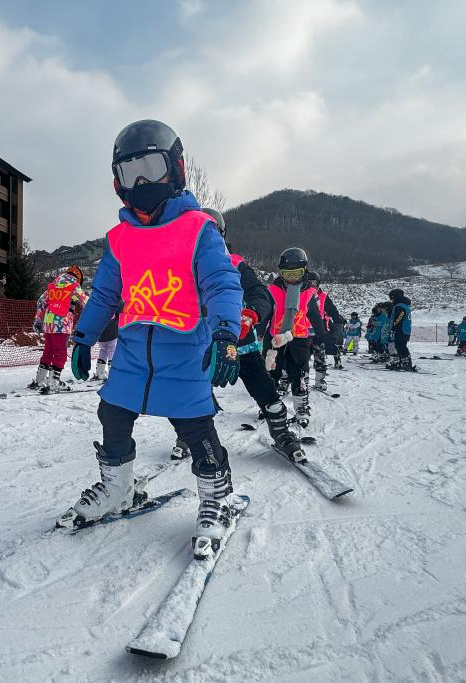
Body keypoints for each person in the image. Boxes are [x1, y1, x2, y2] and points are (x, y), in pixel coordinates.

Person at [62, 120, 243, 558]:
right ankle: (117, 489)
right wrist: (83, 337)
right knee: (113, 414)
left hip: (184, 351)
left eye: (150, 167)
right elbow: (105, 292)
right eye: (129, 172)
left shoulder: (199, 229)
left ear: (175, 168)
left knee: (194, 428)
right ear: (117, 182)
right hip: (131, 353)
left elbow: (222, 283)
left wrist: (226, 333)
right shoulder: (120, 238)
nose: (141, 181)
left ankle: (217, 497)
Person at [209, 209, 304, 463]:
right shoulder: (185, 264)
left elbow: (260, 295)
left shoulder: (235, 264)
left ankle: (282, 433)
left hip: (242, 342)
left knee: (265, 391)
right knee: (193, 393)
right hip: (207, 344)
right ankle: (189, 435)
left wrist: (250, 314)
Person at [265, 248, 327, 427]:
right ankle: (270, 405)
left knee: (299, 373)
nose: (292, 278)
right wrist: (259, 332)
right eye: (287, 273)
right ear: (280, 272)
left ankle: (301, 407)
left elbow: (315, 316)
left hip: (298, 339)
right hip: (275, 339)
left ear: (305, 271)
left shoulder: (308, 293)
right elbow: (267, 313)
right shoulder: (273, 291)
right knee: (271, 372)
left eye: (296, 273)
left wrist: (322, 336)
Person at [30, 265, 87, 393]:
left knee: (48, 351)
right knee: (60, 352)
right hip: (62, 323)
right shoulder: (74, 286)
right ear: (78, 277)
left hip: (49, 322)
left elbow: (41, 301)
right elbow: (85, 302)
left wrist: (38, 319)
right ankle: (54, 381)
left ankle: (40, 379)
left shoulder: (53, 285)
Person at [94, 300, 122, 381]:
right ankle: (112, 373)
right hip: (113, 333)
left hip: (101, 334)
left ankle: (99, 372)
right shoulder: (117, 302)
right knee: (112, 351)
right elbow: (122, 309)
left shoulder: (99, 302)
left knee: (103, 351)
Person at [387, 288, 414, 370]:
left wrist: (393, 327)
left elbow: (399, 318)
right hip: (403, 329)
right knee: (399, 346)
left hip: (401, 329)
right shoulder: (402, 305)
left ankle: (406, 362)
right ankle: (403, 361)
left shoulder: (400, 306)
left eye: (392, 298)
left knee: (401, 345)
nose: (391, 300)